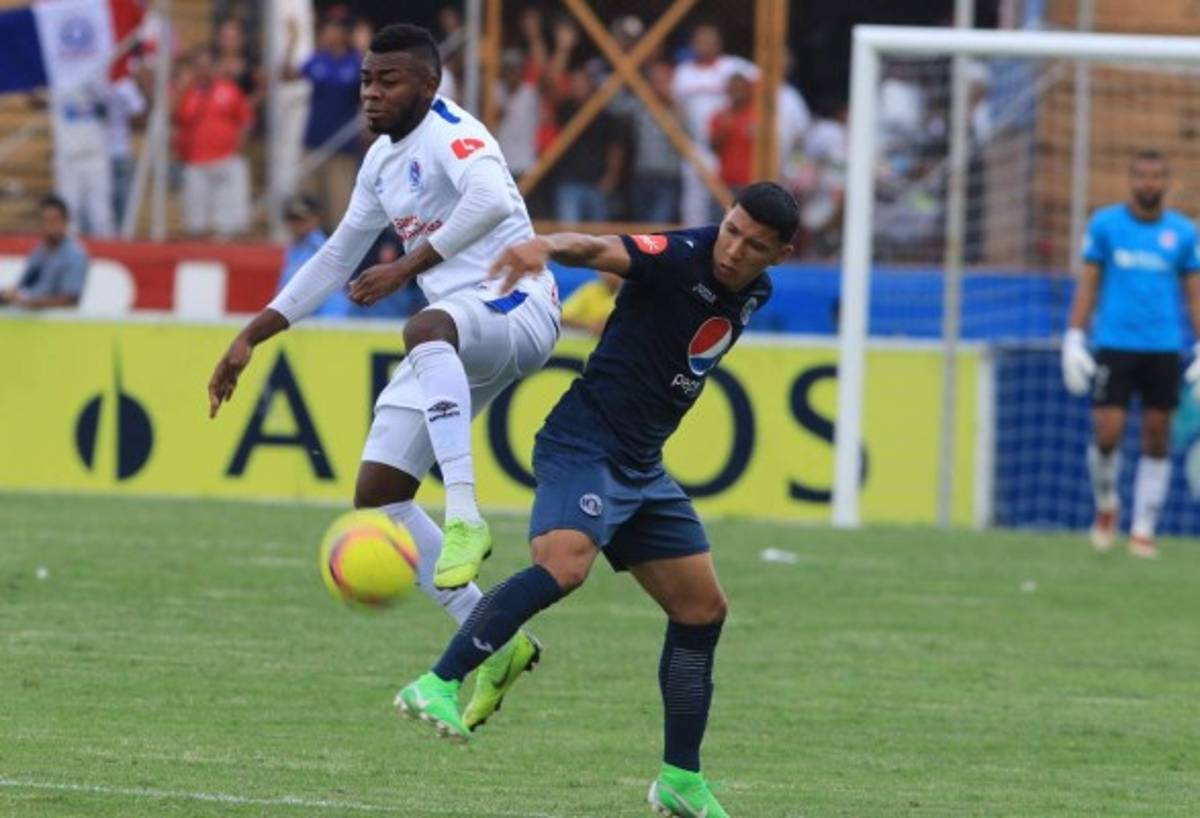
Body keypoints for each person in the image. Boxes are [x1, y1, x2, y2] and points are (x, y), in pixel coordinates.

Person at [395, 183, 799, 818]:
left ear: (779, 255)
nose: (733, 250)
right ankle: (437, 682)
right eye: (731, 231)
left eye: (753, 245)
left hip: (643, 466)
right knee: (564, 566)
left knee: (702, 609)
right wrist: (546, 246)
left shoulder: (757, 291)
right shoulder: (679, 256)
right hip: (584, 442)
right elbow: (598, 248)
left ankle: (680, 779)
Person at [207, 24, 560, 724]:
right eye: (367, 79)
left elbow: (492, 202)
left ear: (429, 84)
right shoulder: (379, 162)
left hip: (516, 304)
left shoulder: (456, 133)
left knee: (423, 325)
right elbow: (337, 256)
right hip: (458, 332)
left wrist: (405, 267)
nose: (371, 93)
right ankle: (498, 642)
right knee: (379, 494)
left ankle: (465, 517)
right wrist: (253, 335)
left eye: (388, 80)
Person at [1061, 149, 1200, 558]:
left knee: (1157, 435)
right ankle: (1107, 504)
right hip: (1114, 343)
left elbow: (1194, 294)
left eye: (1156, 176)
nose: (1148, 183)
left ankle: (1143, 527)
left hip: (1163, 346)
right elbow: (1088, 284)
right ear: (1131, 180)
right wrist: (1074, 336)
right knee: (1108, 432)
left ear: (1166, 182)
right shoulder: (1106, 225)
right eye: (1141, 175)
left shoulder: (1183, 233)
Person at [282, 12, 362, 230]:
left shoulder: (356, 61)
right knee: (306, 205)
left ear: (344, 33)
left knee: (339, 208)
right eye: (327, 29)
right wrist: (291, 43)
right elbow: (287, 76)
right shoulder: (318, 59)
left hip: (342, 147)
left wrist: (364, 49)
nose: (328, 34)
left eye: (334, 29)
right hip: (313, 143)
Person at [671, 24, 758, 225]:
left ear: (719, 44)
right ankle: (693, 240)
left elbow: (763, 79)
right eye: (700, 41)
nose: (705, 46)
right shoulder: (684, 71)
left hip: (723, 145)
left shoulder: (731, 65)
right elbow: (675, 105)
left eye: (709, 41)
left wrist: (746, 115)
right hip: (695, 144)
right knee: (693, 201)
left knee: (723, 200)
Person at [173, 45, 253, 239]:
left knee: (228, 224)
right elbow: (175, 119)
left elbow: (245, 121)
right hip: (196, 162)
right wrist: (182, 89)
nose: (204, 70)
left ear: (215, 66)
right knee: (196, 222)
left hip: (225, 160)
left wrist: (236, 150)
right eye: (199, 65)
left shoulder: (229, 90)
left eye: (207, 65)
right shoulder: (187, 93)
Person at [0, 195, 89, 309]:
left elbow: (70, 300)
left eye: (55, 220)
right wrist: (9, 295)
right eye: (46, 220)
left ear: (66, 221)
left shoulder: (74, 254)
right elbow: (23, 285)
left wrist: (30, 302)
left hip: (53, 316)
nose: (50, 226)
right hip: (28, 312)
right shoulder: (38, 251)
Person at [274, 195, 353, 317]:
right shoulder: (293, 250)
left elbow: (333, 296)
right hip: (296, 319)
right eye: (292, 220)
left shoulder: (325, 248)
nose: (295, 225)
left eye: (301, 219)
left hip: (324, 319)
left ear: (316, 218)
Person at [560, 271, 621, 336]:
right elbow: (561, 317)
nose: (611, 275)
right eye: (608, 271)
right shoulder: (590, 290)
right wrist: (589, 325)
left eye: (616, 271)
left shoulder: (627, 295)